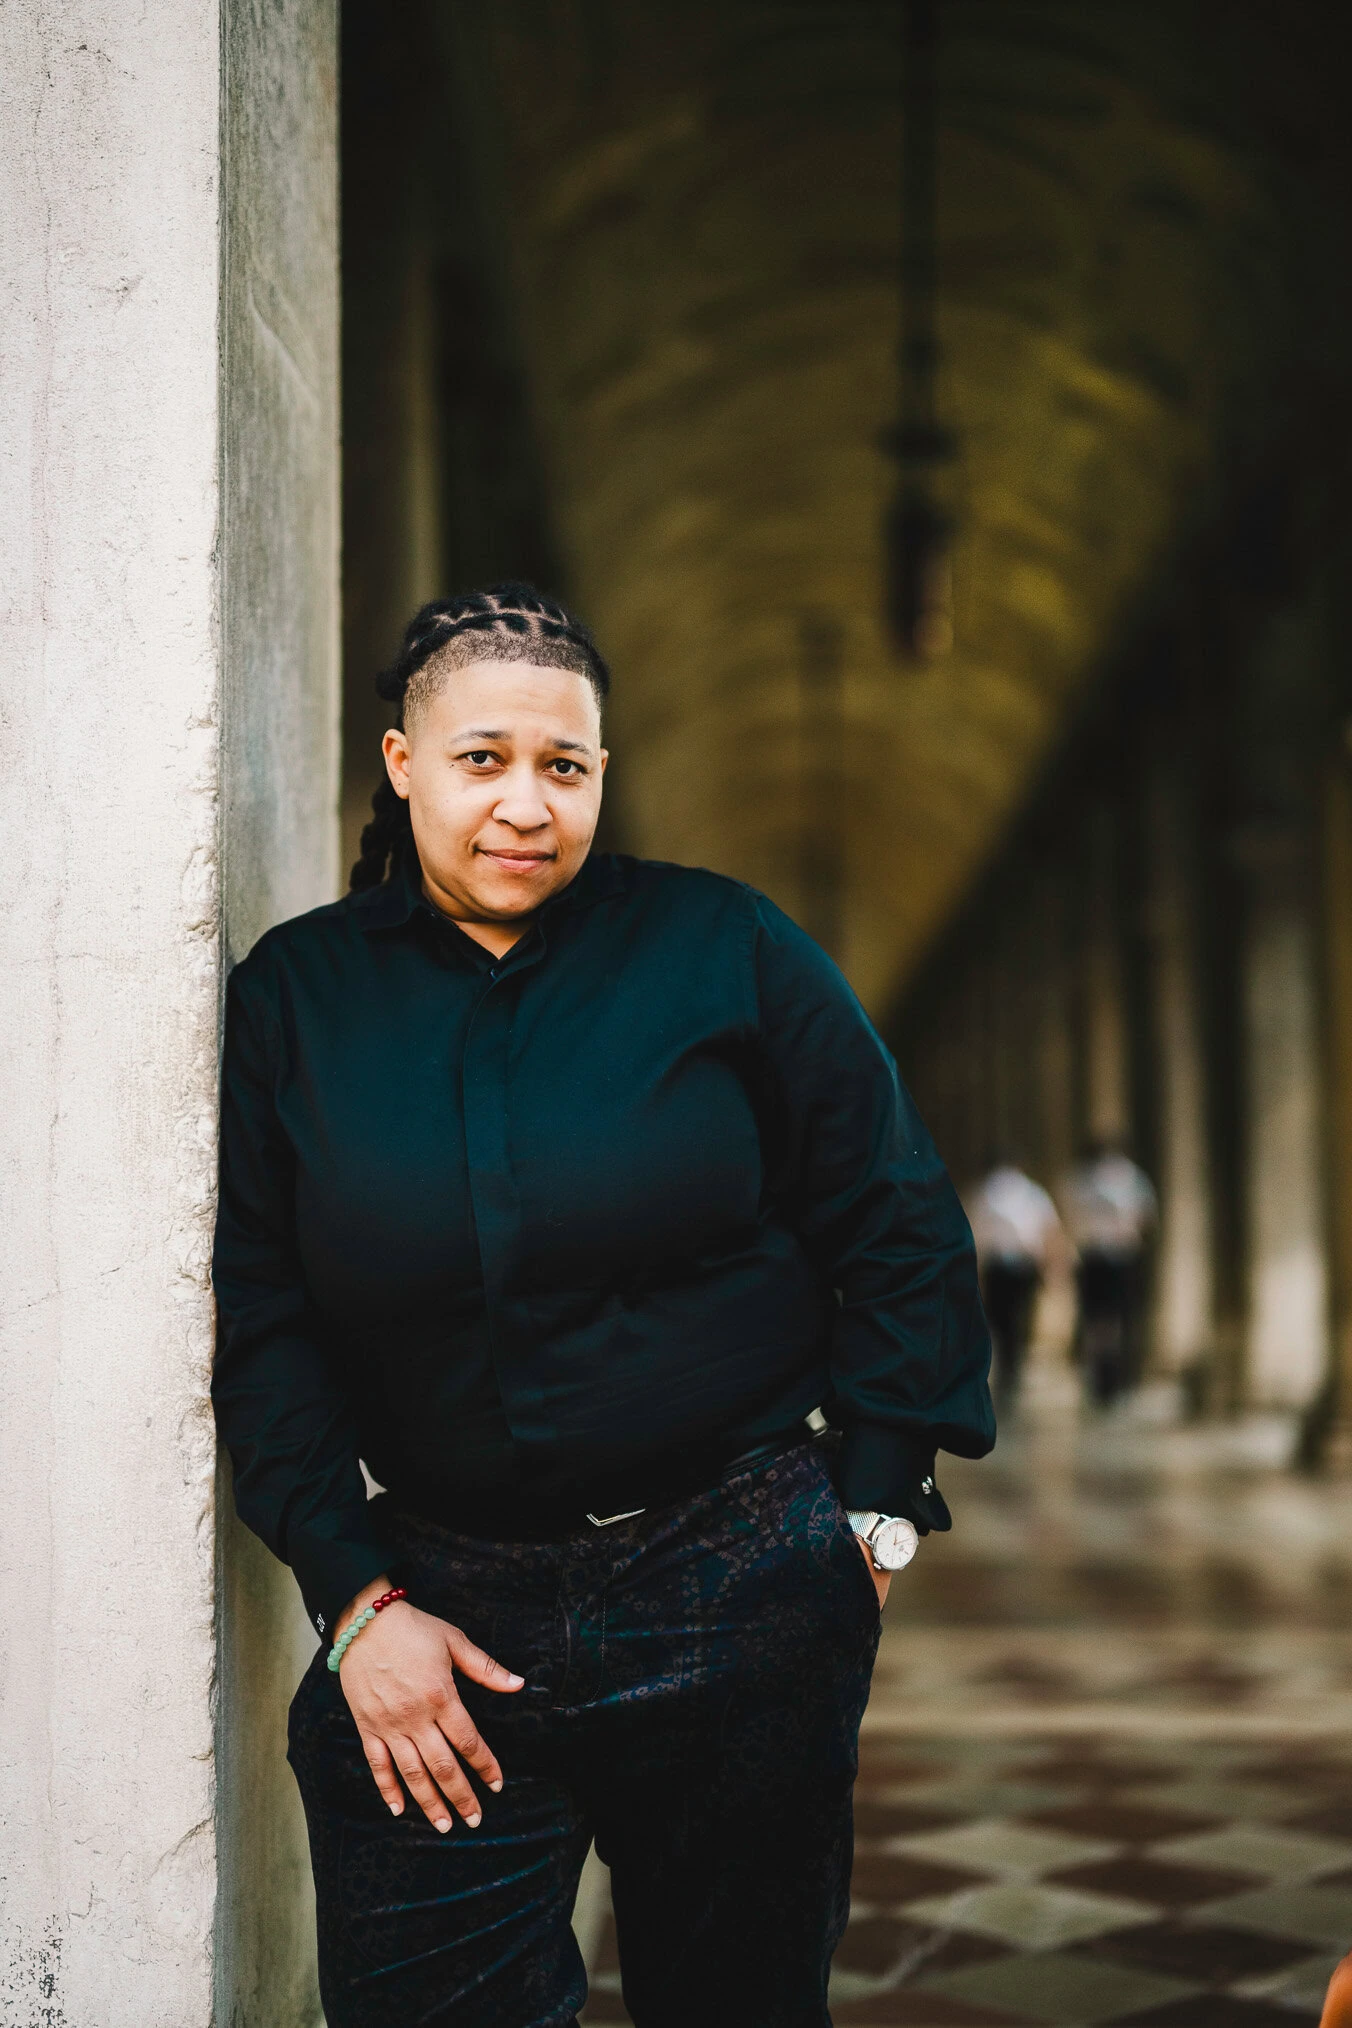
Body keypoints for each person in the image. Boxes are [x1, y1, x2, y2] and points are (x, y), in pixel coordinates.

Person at [211, 583, 994, 2028]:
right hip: (436, 1610)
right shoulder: (297, 1001)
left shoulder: (725, 950)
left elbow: (894, 1208)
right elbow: (263, 1321)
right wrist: (353, 1601)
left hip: (737, 1573)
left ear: (601, 780)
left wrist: (871, 1519)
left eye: (563, 768)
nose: (525, 804)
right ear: (402, 765)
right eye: (483, 759)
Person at [1060, 1139, 1158, 1407]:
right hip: (1119, 1255)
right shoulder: (1132, 1177)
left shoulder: (1083, 1179)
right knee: (1119, 1319)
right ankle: (1118, 1377)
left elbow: (1071, 1214)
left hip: (1097, 1256)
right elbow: (1146, 1215)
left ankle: (1108, 1378)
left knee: (1100, 1321)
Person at [968, 1157, 1061, 1406]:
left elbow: (973, 1233)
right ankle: (1012, 1371)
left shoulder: (985, 1191)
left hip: (1001, 1266)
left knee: (1002, 1322)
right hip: (1019, 1265)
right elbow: (1048, 1230)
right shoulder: (1031, 1192)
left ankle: (1009, 1373)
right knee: (1016, 1320)